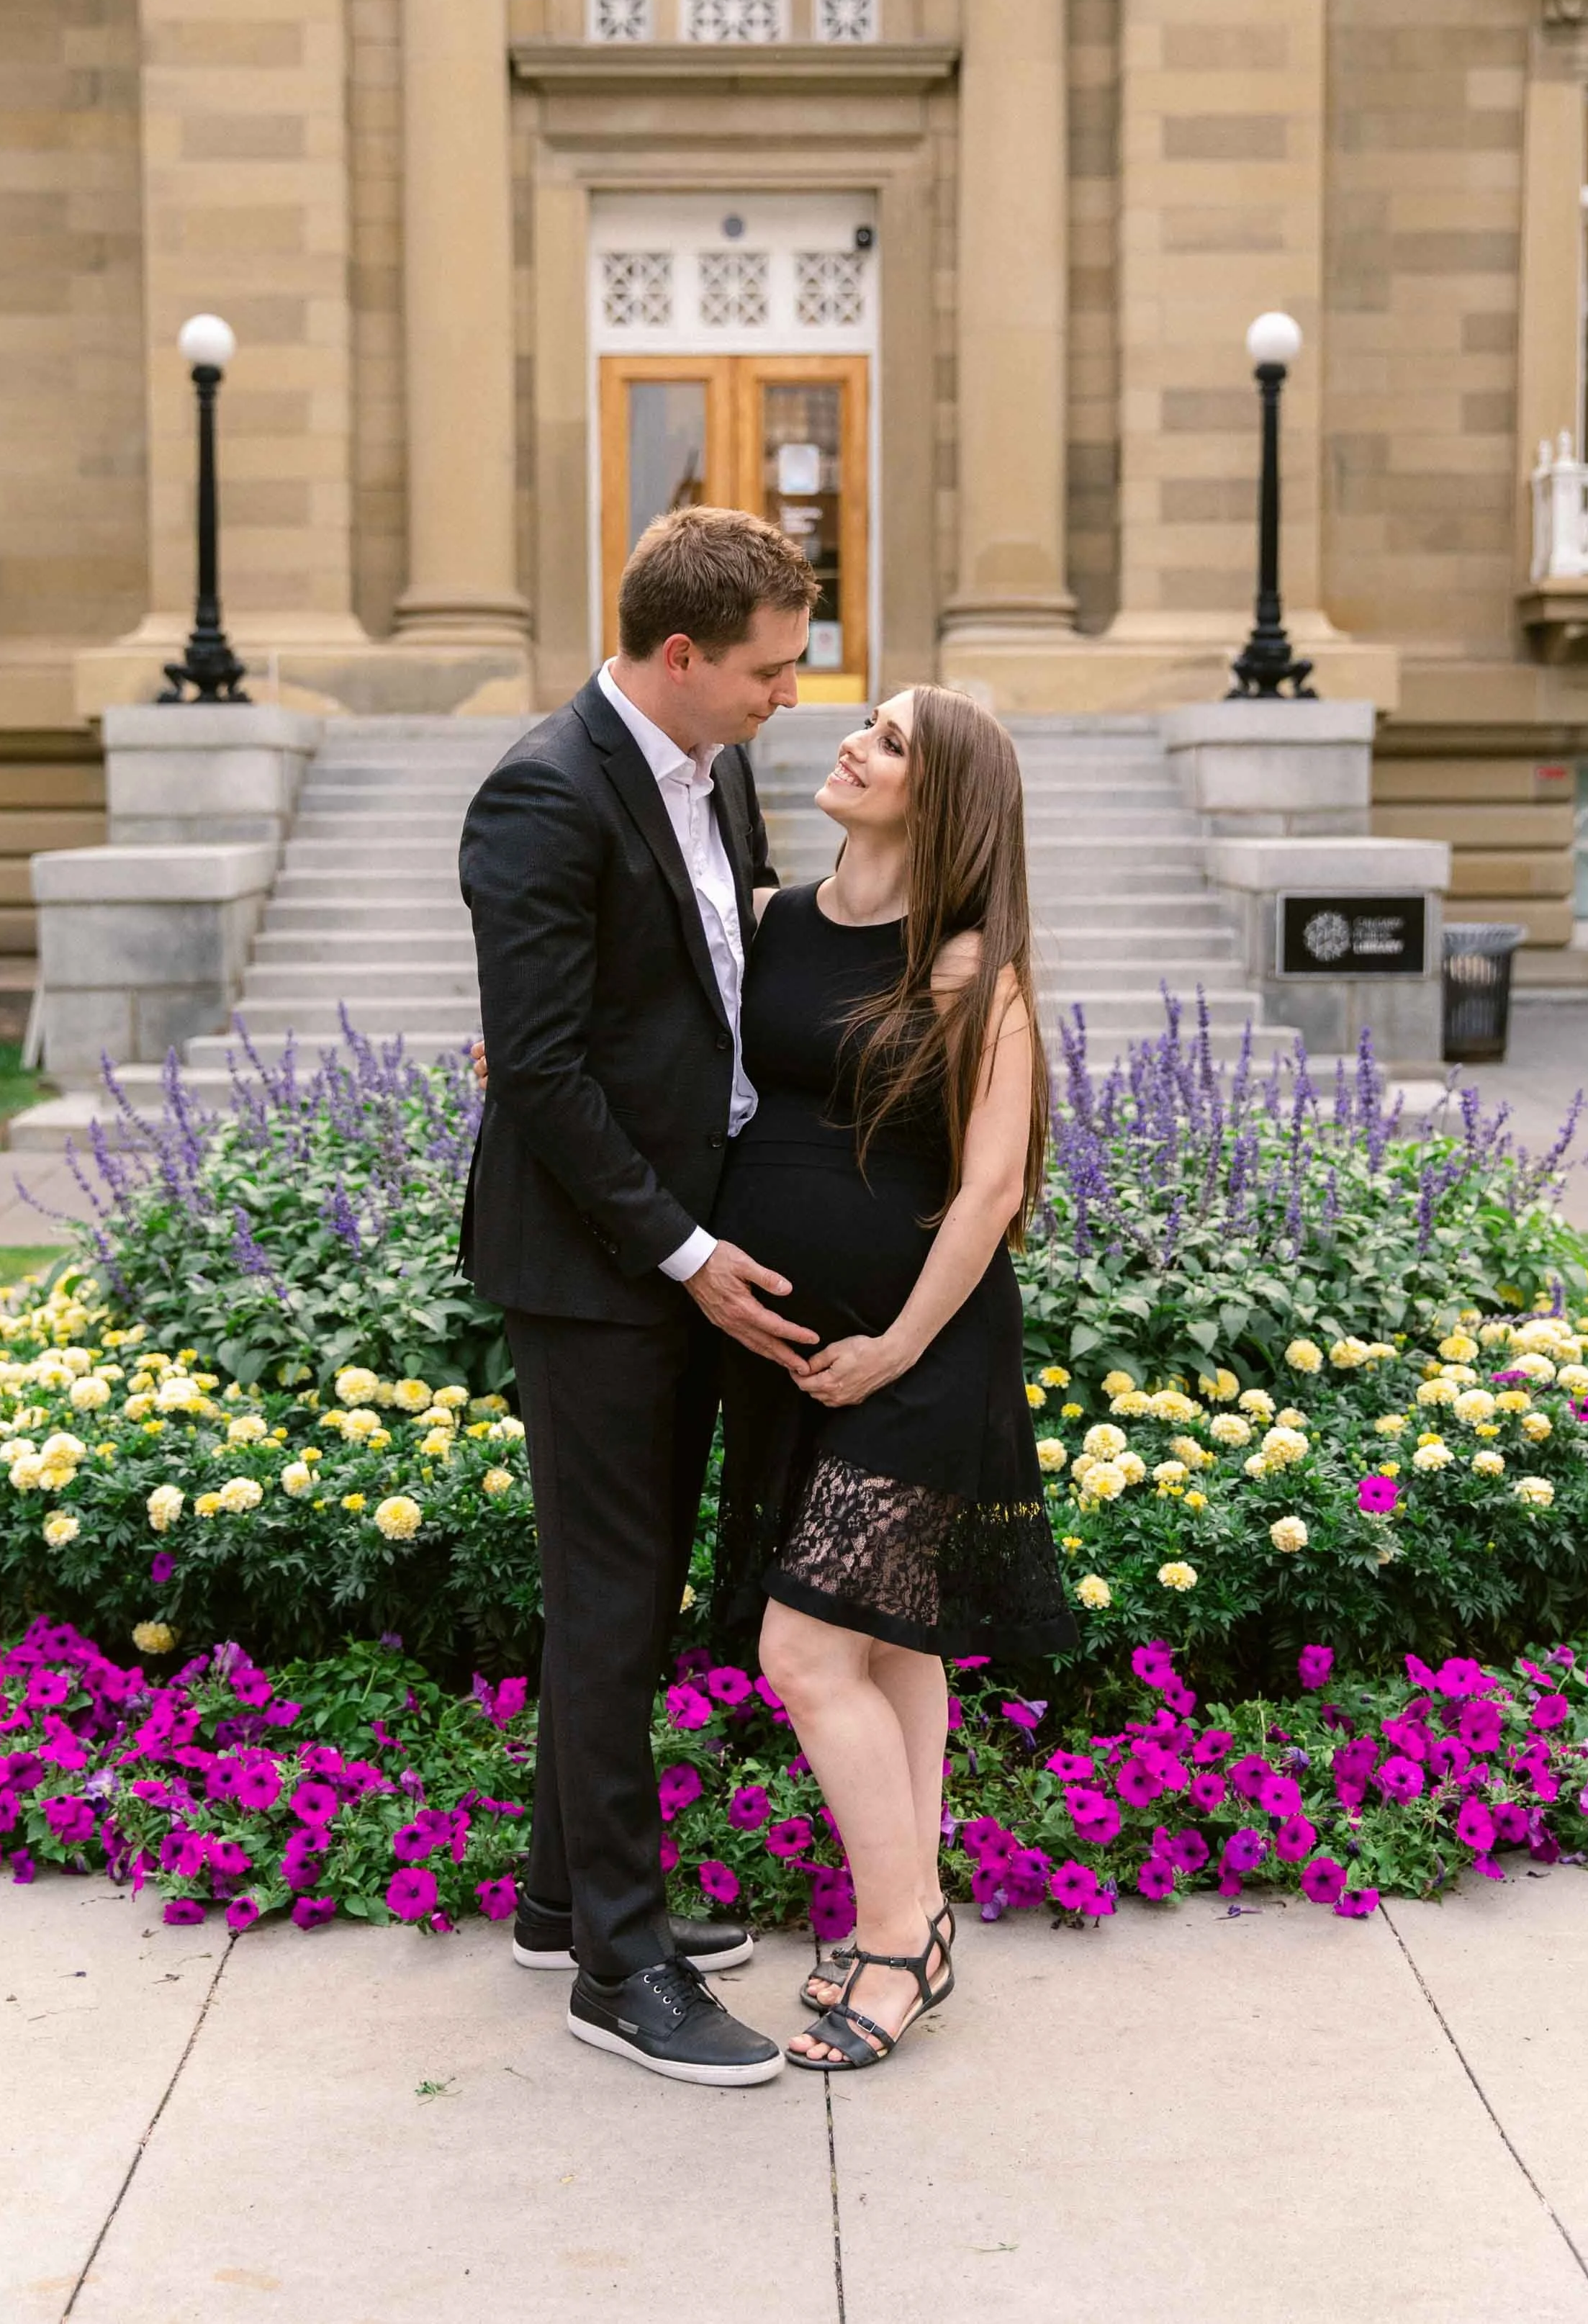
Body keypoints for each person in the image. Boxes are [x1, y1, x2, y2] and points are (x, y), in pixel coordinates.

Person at [459, 503, 821, 2089]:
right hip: (599, 1271)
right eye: (767, 671)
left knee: (636, 1595)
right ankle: (618, 1959)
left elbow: (724, 965)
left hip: (690, 1248)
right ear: (680, 657)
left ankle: (556, 1896)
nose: (785, 699)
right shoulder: (539, 800)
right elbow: (536, 1075)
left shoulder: (713, 764)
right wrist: (681, 1249)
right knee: (609, 1608)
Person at [713, 683, 1076, 2071]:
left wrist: (900, 1346)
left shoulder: (977, 968)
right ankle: (918, 1920)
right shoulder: (773, 923)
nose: (854, 744)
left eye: (891, 740)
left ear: (942, 795)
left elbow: (989, 1192)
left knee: (803, 1652)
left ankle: (896, 1930)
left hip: (920, 1347)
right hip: (789, 1351)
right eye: (864, 722)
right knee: (889, 1635)